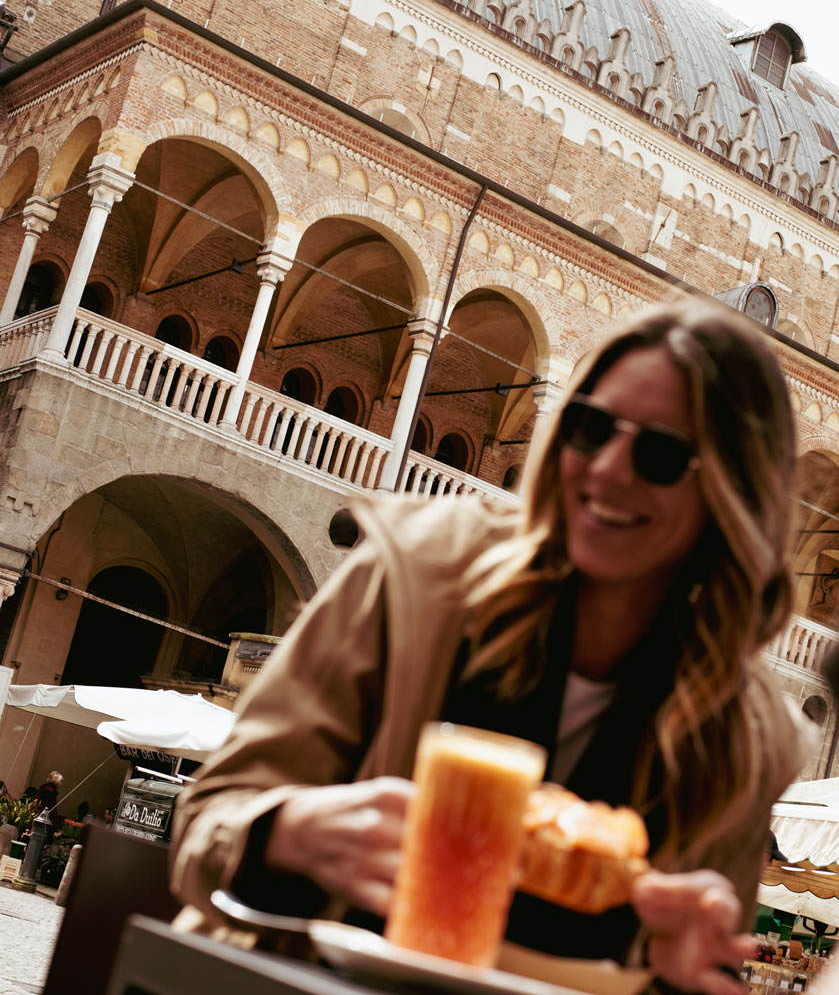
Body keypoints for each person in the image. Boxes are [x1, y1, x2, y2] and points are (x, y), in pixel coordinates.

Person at [170, 299, 812, 994]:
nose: (606, 470)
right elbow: (208, 822)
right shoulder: (418, 572)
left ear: (734, 495)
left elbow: (684, 965)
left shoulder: (746, 742)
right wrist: (282, 830)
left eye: (659, 455)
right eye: (589, 428)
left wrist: (680, 975)